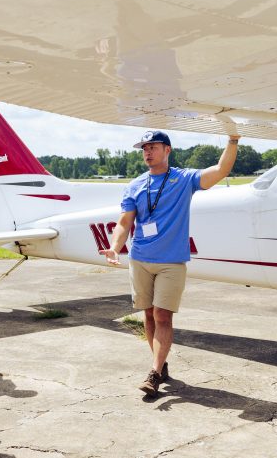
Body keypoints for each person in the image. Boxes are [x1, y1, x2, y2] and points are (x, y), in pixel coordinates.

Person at [100, 130, 240, 397]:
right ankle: (160, 363)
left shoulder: (184, 179)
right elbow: (124, 222)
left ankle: (153, 374)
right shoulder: (135, 185)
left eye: (152, 147)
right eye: (144, 148)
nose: (147, 152)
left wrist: (232, 141)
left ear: (168, 150)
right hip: (140, 259)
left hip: (171, 262)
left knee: (163, 315)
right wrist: (115, 247)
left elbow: (221, 170)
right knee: (149, 314)